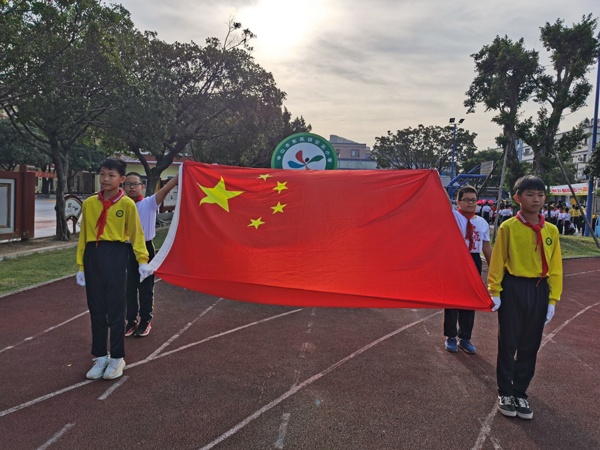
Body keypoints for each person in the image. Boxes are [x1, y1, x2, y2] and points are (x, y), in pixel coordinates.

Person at [488, 175, 562, 420]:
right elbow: (498, 261)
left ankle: (520, 391)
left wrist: (552, 299)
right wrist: (495, 291)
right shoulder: (508, 227)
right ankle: (505, 391)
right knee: (509, 341)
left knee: (531, 343)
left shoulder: (551, 230)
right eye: (530, 194)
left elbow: (556, 266)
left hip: (539, 289)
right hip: (514, 287)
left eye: (540, 195)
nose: (536, 199)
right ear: (517, 198)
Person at [76, 159, 151, 381]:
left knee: (116, 309)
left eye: (111, 175)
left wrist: (142, 260)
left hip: (116, 254)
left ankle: (117, 357)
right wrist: (81, 266)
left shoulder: (127, 204)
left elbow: (136, 234)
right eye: (102, 174)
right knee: (96, 309)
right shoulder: (90, 203)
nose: (105, 179)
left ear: (122, 179)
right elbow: (84, 236)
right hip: (93, 255)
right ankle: (100, 356)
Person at [123, 172, 179, 337]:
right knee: (129, 288)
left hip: (146, 249)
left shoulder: (150, 203)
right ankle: (131, 321)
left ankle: (145, 320)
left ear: (142, 186)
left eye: (135, 184)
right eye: (128, 184)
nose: (132, 187)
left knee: (145, 288)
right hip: (126, 249)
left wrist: (181, 173)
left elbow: (167, 188)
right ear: (123, 187)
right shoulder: (121, 205)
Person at [444, 186, 492, 354]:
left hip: (474, 259)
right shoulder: (453, 217)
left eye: (473, 200)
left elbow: (486, 246)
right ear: (458, 201)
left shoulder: (482, 222)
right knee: (452, 299)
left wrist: (494, 268)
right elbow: (443, 201)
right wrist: (435, 178)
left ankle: (465, 338)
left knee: (470, 300)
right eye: (467, 200)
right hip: (455, 260)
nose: (471, 203)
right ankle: (450, 336)